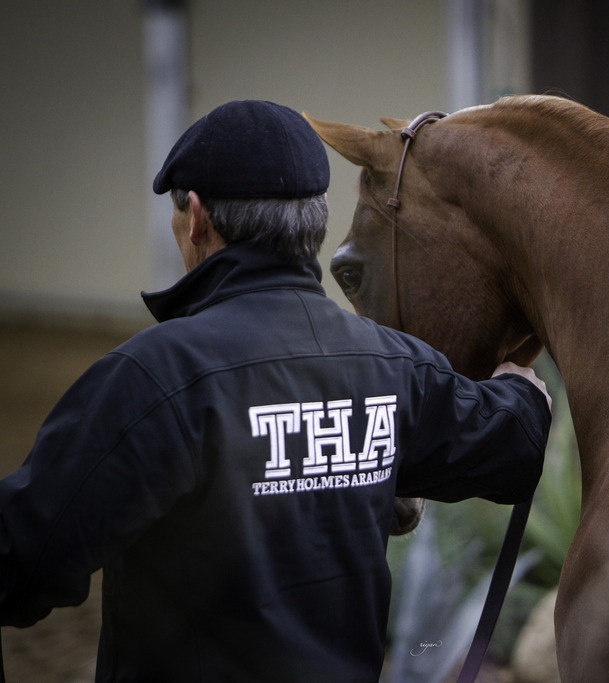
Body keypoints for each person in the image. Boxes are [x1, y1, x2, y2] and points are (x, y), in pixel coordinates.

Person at [0, 100, 551, 681]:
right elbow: (512, 448)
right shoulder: (394, 367)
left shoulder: (152, 378)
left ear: (196, 218)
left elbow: (20, 559)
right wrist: (523, 393)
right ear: (314, 222)